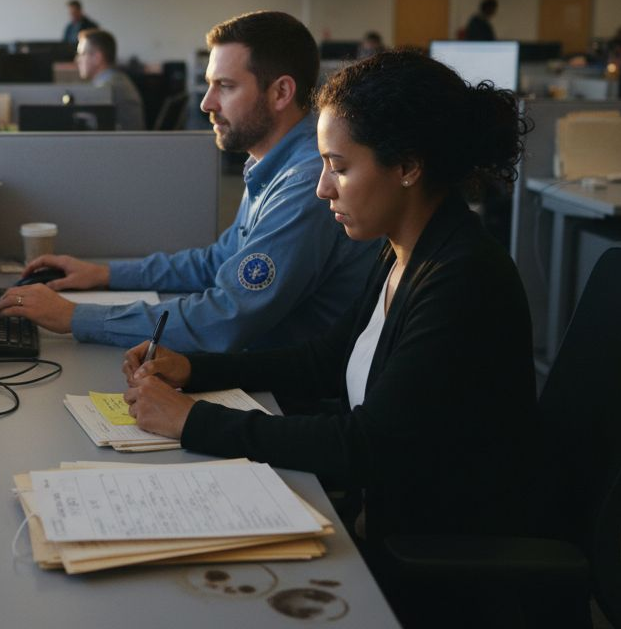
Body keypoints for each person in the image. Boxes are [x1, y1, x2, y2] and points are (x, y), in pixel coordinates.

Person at [121, 50, 538, 625]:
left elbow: (367, 447)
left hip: (431, 558)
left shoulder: (462, 279)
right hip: (386, 515)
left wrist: (190, 421)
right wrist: (196, 370)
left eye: (338, 167)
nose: (322, 189)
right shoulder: (402, 249)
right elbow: (327, 360)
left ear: (408, 166)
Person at [0, 11, 380, 356]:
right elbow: (218, 262)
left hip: (287, 396)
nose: (206, 103)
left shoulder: (306, 183)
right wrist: (105, 274)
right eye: (210, 85)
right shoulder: (271, 162)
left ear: (281, 92)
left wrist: (76, 317)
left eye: (225, 86)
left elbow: (226, 317)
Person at [75, 29, 145, 131]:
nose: (77, 59)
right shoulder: (117, 80)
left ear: (97, 58)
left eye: (82, 54)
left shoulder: (107, 89)